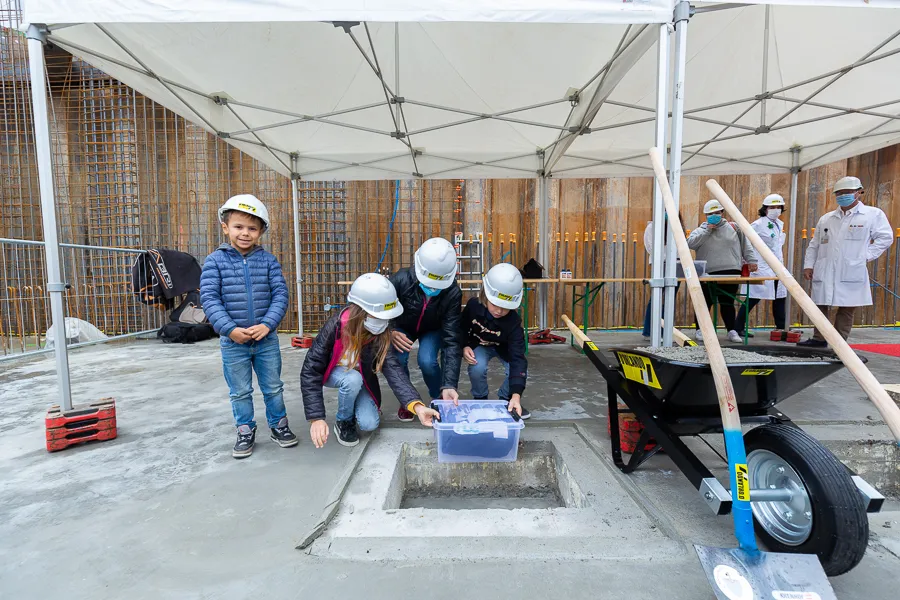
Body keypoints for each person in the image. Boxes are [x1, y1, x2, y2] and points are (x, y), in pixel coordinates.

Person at [200, 194, 296, 459]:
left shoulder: (268, 261)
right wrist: (229, 329)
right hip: (233, 343)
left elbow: (280, 294)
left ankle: (279, 425)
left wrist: (268, 324)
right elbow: (209, 298)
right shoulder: (214, 262)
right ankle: (245, 429)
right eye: (238, 227)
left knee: (273, 386)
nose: (245, 233)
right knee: (240, 390)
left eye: (252, 228)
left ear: (261, 231)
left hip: (266, 341)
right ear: (225, 227)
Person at [300, 273, 440, 447]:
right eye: (379, 316)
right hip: (334, 373)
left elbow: (394, 370)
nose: (384, 322)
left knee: (369, 424)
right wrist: (316, 418)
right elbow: (310, 370)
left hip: (361, 378)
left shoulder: (380, 333)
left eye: (386, 317)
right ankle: (343, 421)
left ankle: (354, 402)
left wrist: (417, 407)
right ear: (361, 312)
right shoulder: (336, 326)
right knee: (352, 379)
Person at [798, 177, 893, 347]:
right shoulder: (827, 219)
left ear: (859, 192)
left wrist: (865, 255)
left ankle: (840, 344)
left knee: (846, 309)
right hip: (825, 268)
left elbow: (885, 238)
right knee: (821, 305)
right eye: (840, 193)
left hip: (851, 269)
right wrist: (808, 265)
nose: (843, 196)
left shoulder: (872, 215)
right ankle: (819, 339)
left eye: (848, 192)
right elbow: (815, 244)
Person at [388, 238, 463, 421]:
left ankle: (439, 395)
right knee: (399, 358)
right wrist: (389, 330)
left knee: (427, 361)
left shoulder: (453, 293)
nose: (432, 288)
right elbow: (383, 307)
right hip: (402, 326)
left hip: (432, 328)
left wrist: (449, 384)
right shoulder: (401, 279)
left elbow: (452, 339)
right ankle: (407, 400)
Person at [461, 263, 529, 419]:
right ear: (485, 295)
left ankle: (507, 400)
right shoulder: (473, 306)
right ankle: (480, 400)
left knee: (521, 371)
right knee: (477, 368)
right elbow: (461, 328)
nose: (499, 311)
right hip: (479, 345)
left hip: (503, 347)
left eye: (505, 307)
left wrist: (516, 395)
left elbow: (518, 358)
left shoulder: (513, 322)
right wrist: (464, 346)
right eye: (495, 305)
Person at [687, 198, 758, 344]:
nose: (715, 215)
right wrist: (708, 230)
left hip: (730, 270)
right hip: (707, 272)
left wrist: (752, 260)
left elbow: (746, 245)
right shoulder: (701, 230)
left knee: (728, 302)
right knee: (704, 302)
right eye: (711, 213)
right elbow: (690, 244)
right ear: (705, 215)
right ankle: (700, 330)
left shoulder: (734, 227)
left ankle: (731, 330)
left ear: (722, 213)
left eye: (717, 212)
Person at [734, 194, 788, 338]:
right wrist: (749, 262)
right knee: (753, 297)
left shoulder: (779, 224)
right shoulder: (757, 225)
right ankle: (738, 327)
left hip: (776, 266)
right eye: (772, 207)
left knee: (780, 297)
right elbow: (745, 243)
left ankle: (781, 327)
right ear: (765, 209)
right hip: (761, 267)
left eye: (778, 207)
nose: (776, 210)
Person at [641, 212, 684, 340]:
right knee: (657, 298)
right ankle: (650, 330)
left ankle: (664, 330)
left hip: (676, 265)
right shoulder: (652, 227)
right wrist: (665, 257)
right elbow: (650, 247)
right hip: (660, 264)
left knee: (669, 298)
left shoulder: (677, 226)